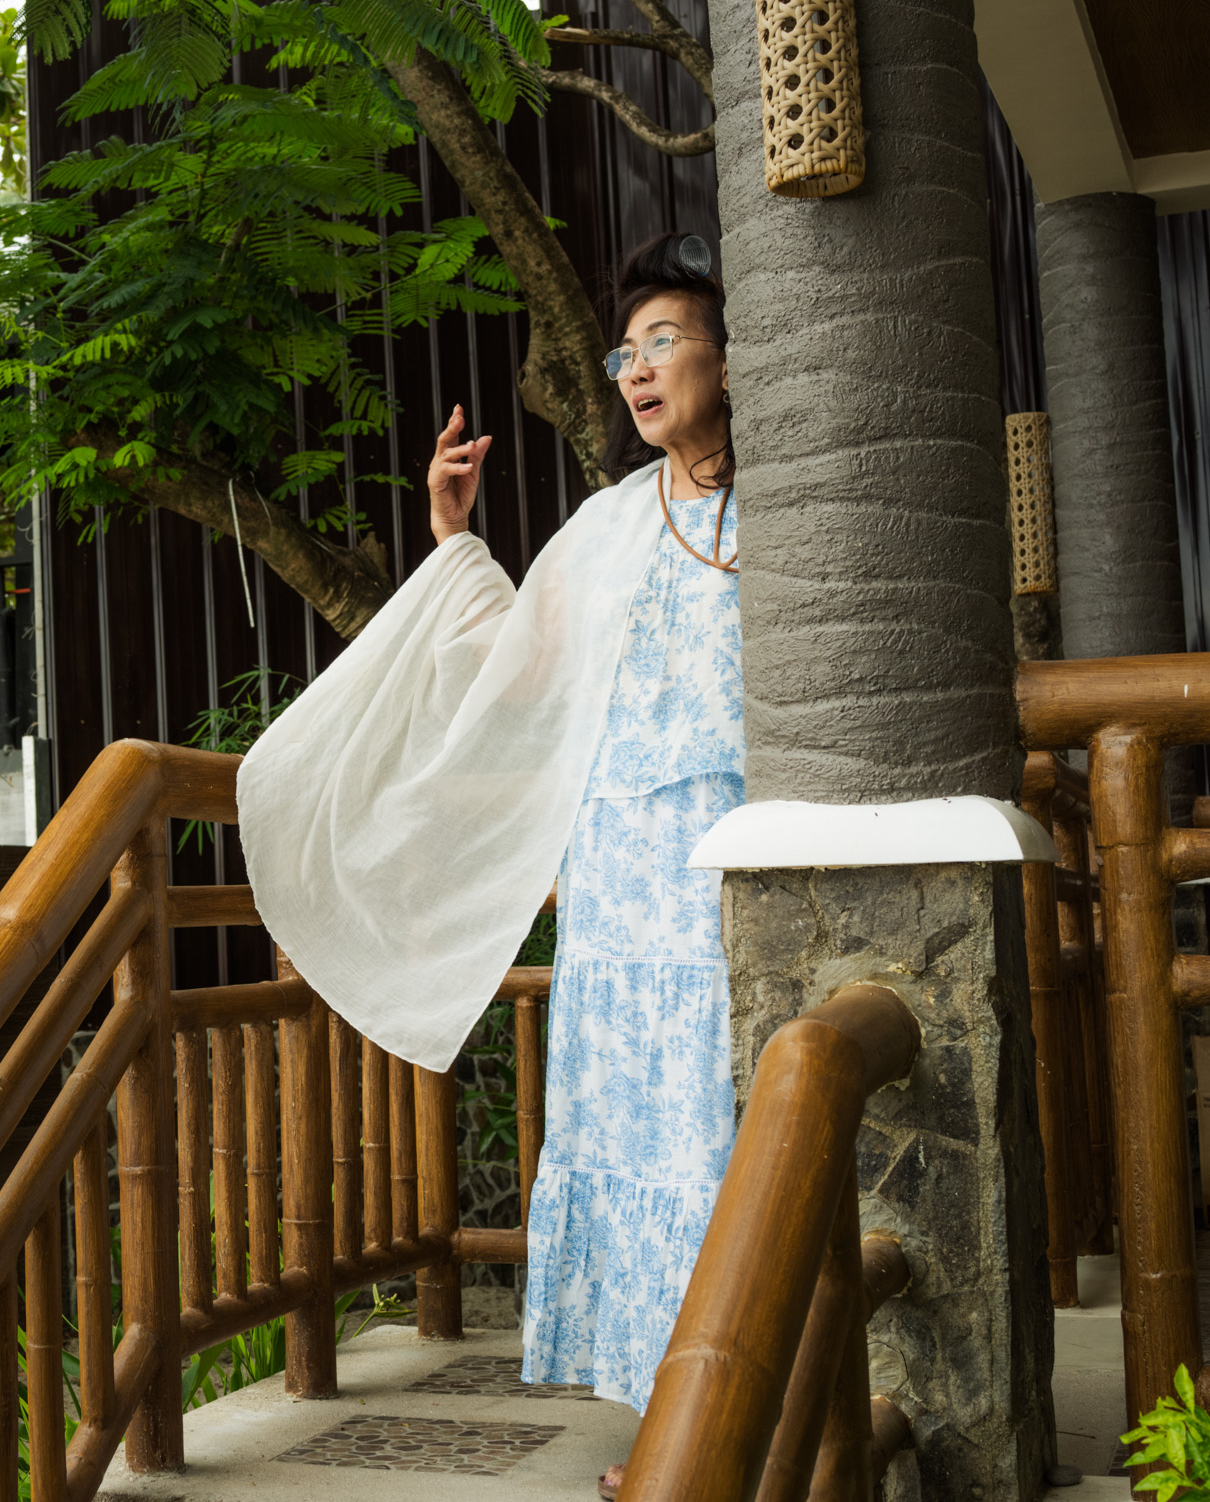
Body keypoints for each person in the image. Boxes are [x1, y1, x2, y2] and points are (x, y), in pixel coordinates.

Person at [235, 234, 741, 1486]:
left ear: (731, 359)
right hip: (622, 868)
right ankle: (669, 1426)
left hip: (736, 855)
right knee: (640, 1129)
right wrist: (451, 533)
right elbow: (517, 667)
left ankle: (751, 1407)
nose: (636, 370)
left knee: (726, 1122)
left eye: (663, 342)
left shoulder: (794, 498)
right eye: (624, 355)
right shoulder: (609, 525)